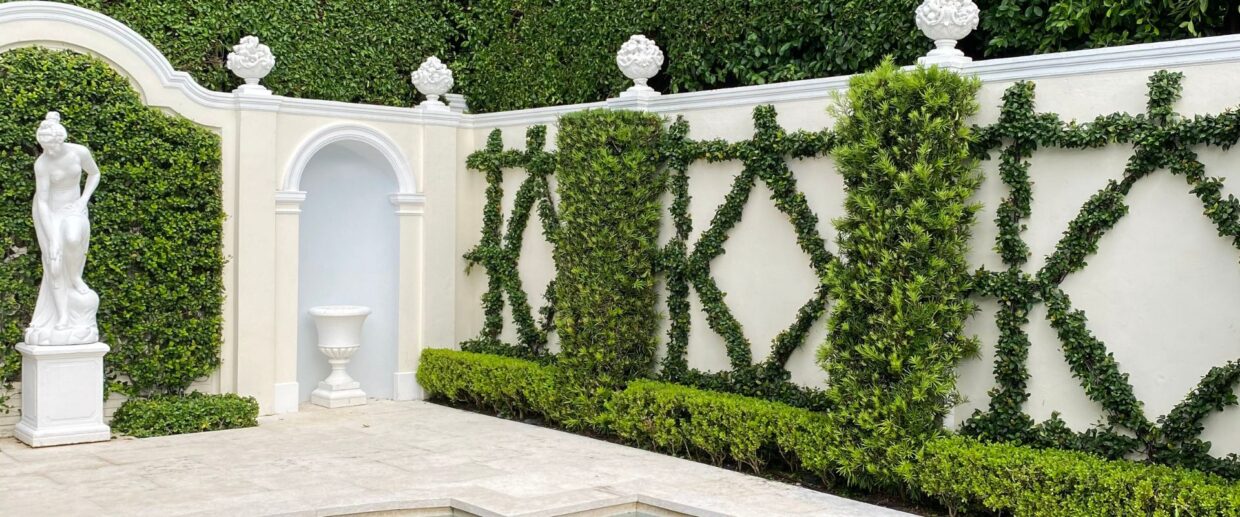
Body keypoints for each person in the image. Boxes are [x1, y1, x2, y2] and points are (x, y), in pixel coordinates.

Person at [25, 111, 101, 346]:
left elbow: (94, 174)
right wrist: (51, 239)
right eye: (45, 147)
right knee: (54, 262)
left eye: (53, 147)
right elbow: (44, 202)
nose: (50, 152)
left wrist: (83, 200)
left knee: (71, 238)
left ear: (61, 140)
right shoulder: (43, 163)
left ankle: (76, 278)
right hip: (50, 212)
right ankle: (62, 316)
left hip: (73, 208)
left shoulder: (79, 152)